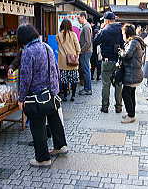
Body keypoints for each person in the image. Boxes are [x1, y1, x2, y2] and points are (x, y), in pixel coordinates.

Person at [17, 24, 68, 167]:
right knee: (54, 120)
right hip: (51, 93)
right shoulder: (46, 47)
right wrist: (55, 90)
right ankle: (61, 146)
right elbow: (55, 69)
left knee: (37, 125)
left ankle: (43, 158)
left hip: (36, 96)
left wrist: (21, 98)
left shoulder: (28, 51)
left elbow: (25, 77)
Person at [94, 11, 124, 113]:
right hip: (118, 61)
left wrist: (101, 29)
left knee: (106, 84)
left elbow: (96, 41)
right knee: (118, 84)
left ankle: (105, 107)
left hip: (106, 61)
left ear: (106, 20)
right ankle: (119, 107)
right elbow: (123, 44)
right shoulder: (120, 29)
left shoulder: (104, 30)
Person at [119, 24, 146, 123]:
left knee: (125, 93)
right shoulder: (135, 41)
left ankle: (131, 116)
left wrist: (121, 52)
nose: (122, 35)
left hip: (132, 73)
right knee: (130, 93)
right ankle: (131, 113)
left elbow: (127, 55)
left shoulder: (133, 42)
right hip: (134, 72)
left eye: (123, 33)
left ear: (127, 33)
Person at [57, 19, 81, 102]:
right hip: (72, 61)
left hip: (63, 62)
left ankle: (65, 96)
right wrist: (77, 55)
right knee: (73, 79)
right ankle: (73, 95)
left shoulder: (58, 35)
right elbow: (78, 47)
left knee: (64, 79)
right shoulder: (73, 34)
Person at [77, 12, 93, 95]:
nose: (78, 20)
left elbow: (88, 42)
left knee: (86, 70)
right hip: (87, 51)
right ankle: (87, 88)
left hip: (86, 52)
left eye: (79, 18)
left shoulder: (86, 27)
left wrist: (81, 51)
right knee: (86, 70)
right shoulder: (86, 26)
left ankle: (88, 89)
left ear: (83, 17)